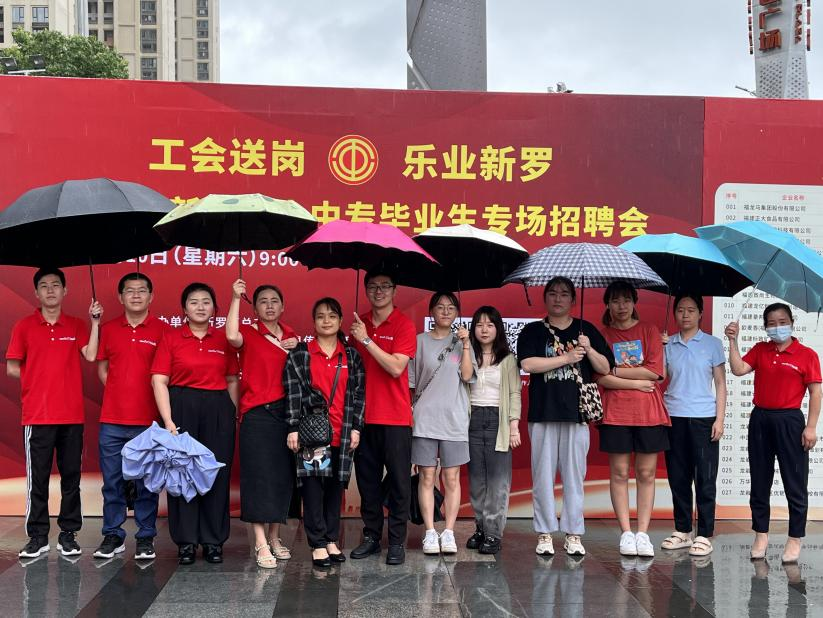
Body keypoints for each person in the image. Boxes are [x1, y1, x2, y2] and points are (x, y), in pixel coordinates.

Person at [6, 267, 103, 559]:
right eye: (45, 286)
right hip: (38, 416)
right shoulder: (24, 326)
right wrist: (39, 380)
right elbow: (12, 367)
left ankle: (68, 534)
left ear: (65, 291)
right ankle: (37, 536)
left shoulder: (76, 325)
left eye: (56, 285)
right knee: (38, 479)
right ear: (36, 293)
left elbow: (91, 355)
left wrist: (95, 323)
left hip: (71, 416)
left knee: (71, 478)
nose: (50, 290)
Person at [517, 276, 613, 558]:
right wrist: (567, 358)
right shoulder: (533, 331)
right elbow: (528, 364)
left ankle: (573, 533)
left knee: (574, 477)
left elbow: (605, 367)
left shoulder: (587, 330)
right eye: (552, 293)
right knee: (542, 477)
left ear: (573, 299)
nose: (558, 298)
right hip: (543, 413)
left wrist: (589, 349)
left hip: (577, 414)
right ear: (545, 298)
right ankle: (545, 532)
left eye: (564, 294)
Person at [151, 282, 239, 565]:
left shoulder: (223, 339)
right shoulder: (171, 338)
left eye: (206, 301)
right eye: (194, 302)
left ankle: (213, 541)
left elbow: (232, 380)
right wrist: (168, 420)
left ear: (215, 308)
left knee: (216, 473)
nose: (200, 307)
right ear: (184, 309)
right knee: (182, 474)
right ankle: (186, 541)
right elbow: (159, 380)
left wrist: (232, 412)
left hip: (218, 409)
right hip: (182, 407)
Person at [725, 303, 821, 563]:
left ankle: (795, 538)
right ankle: (761, 534)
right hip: (761, 419)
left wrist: (811, 426)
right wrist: (733, 341)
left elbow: (816, 392)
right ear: (765, 327)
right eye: (771, 323)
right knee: (759, 480)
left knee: (795, 482)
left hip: (790, 421)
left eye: (782, 322)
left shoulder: (807, 355)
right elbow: (738, 369)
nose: (777, 327)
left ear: (792, 322)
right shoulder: (761, 349)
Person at [285, 297, 365, 567]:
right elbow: (293, 394)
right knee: (312, 488)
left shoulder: (351, 356)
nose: (326, 321)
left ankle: (331, 538)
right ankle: (317, 543)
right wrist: (293, 427)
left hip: (342, 432)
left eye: (332, 316)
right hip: (312, 434)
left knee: (335, 487)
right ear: (314, 322)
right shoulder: (301, 354)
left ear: (341, 321)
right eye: (320, 316)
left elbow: (359, 395)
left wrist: (356, 427)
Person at [94, 272, 168, 561]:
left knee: (147, 484)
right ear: (120, 297)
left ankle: (146, 537)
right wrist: (119, 390)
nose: (136, 295)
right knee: (112, 482)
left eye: (141, 290)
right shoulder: (109, 329)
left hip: (148, 422)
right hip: (112, 420)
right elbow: (102, 369)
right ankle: (113, 535)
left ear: (151, 296)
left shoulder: (163, 330)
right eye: (129, 290)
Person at [226, 279, 298, 569]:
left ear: (283, 306)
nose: (269, 306)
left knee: (281, 478)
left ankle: (275, 537)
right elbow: (230, 335)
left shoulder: (291, 336)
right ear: (254, 309)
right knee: (257, 479)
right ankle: (259, 541)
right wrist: (235, 298)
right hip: (255, 414)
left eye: (274, 301)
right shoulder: (248, 333)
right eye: (263, 301)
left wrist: (297, 349)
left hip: (285, 414)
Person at [596, 281, 669, 558]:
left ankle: (643, 533)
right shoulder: (602, 335)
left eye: (626, 300)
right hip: (615, 413)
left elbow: (655, 372)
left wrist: (616, 370)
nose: (621, 306)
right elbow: (600, 377)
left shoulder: (649, 330)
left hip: (649, 413)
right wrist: (635, 383)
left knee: (646, 474)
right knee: (619, 473)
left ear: (634, 302)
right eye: (615, 300)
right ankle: (626, 533)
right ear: (608, 304)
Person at [349, 270, 416, 565]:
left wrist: (365, 340)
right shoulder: (358, 323)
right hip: (364, 418)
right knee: (367, 484)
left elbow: (396, 367)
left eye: (385, 286)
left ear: (394, 290)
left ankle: (397, 541)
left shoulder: (404, 324)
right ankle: (372, 537)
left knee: (400, 484)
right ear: (365, 290)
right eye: (373, 287)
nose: (379, 292)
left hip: (395, 418)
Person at [661, 293, 726, 557]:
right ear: (674, 313)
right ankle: (683, 531)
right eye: (680, 309)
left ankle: (704, 534)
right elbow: (659, 378)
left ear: (700, 313)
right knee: (678, 477)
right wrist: (658, 349)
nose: (685, 314)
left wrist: (720, 419)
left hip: (704, 418)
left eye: (691, 309)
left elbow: (720, 383)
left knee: (705, 478)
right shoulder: (668, 343)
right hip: (673, 416)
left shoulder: (712, 344)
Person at [409, 292, 473, 555]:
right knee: (427, 476)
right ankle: (429, 532)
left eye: (451, 308)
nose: (446, 312)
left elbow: (467, 376)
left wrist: (466, 345)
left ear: (457, 313)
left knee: (451, 477)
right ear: (431, 312)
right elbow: (411, 383)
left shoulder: (462, 342)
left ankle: (448, 532)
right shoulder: (419, 342)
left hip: (454, 419)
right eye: (440, 307)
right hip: (424, 419)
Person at [466, 305, 522, 554]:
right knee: (477, 481)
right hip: (472, 420)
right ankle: (480, 527)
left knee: (498, 482)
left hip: (497, 420)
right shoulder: (467, 353)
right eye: (479, 324)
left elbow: (514, 393)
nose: (484, 329)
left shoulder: (508, 359)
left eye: (490, 324)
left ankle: (493, 533)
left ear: (498, 328)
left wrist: (514, 426)